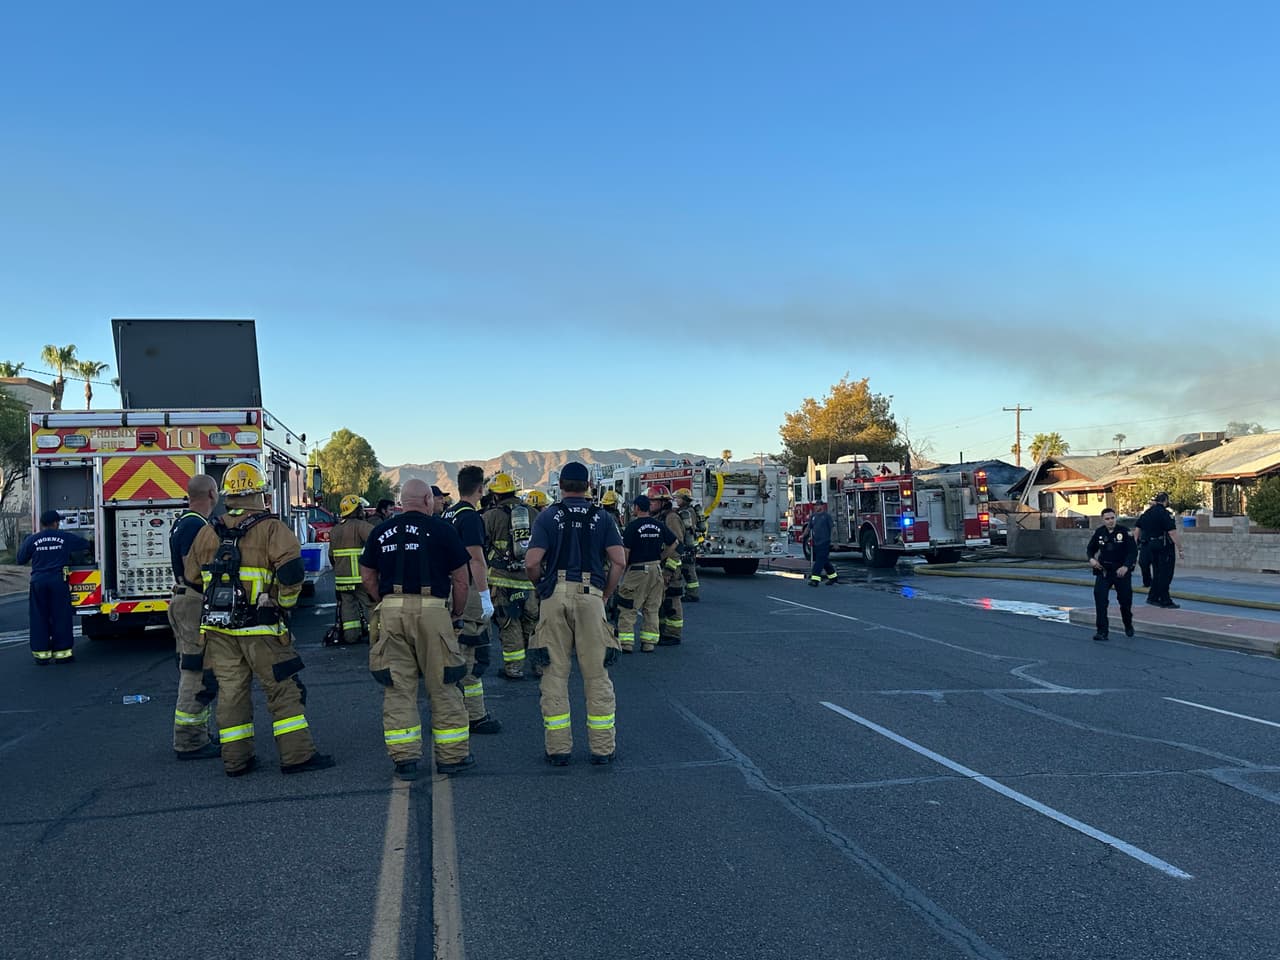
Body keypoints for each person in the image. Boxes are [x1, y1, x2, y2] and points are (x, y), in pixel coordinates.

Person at [185, 461, 335, 778]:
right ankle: (297, 756)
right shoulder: (272, 529)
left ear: (227, 494)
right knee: (283, 690)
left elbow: (192, 576)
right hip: (262, 629)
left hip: (218, 629)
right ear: (261, 492)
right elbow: (292, 573)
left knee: (231, 693)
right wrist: (283, 604)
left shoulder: (207, 531)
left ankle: (236, 760)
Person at [360, 478, 475, 781]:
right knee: (444, 684)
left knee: (398, 687)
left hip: (392, 611)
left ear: (401, 502)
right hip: (433, 610)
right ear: (427, 500)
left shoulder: (380, 531)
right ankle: (452, 757)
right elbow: (462, 580)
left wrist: (385, 601)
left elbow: (367, 574)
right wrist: (456, 613)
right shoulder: (442, 529)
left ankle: (405, 759)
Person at [524, 461, 625, 766]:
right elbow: (618, 561)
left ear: (561, 486)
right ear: (589, 485)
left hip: (555, 596)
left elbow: (531, 563)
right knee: (597, 675)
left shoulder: (547, 516)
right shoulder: (603, 517)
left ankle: (558, 750)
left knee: (554, 674)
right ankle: (603, 749)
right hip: (591, 596)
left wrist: (542, 586)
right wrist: (604, 594)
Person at [442, 466, 501, 735]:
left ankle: (458, 711)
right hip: (469, 591)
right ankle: (473, 716)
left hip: (451, 589)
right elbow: (475, 559)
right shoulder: (470, 518)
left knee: (456, 651)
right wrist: (485, 595)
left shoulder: (448, 514)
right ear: (480, 489)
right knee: (473, 656)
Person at [168, 475, 221, 759]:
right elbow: (199, 571)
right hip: (193, 602)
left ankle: (197, 734)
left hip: (184, 600)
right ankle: (189, 740)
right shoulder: (197, 526)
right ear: (212, 493)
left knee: (195, 668)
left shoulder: (182, 522)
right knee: (196, 671)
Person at [483, 472, 540, 680]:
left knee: (509, 624)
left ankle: (514, 668)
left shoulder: (490, 516)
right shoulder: (534, 513)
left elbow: (481, 547)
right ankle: (539, 665)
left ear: (496, 495)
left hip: (501, 580)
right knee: (532, 623)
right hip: (529, 580)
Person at [17, 510, 91, 665]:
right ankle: (62, 654)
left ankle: (41, 655)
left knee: (39, 618)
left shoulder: (32, 539)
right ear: (56, 523)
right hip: (58, 581)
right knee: (61, 617)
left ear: (42, 524)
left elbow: (20, 559)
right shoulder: (64, 537)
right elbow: (85, 545)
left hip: (38, 582)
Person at [616, 494, 677, 653]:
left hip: (637, 570)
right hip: (656, 570)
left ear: (636, 508)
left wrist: (623, 570)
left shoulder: (632, 526)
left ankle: (626, 643)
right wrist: (661, 557)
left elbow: (626, 551)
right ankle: (649, 643)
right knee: (651, 607)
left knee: (628, 606)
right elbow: (675, 543)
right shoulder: (658, 525)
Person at [328, 494, 376, 646]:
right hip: (360, 578)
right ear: (356, 510)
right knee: (371, 605)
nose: (363, 511)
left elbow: (331, 556)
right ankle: (376, 634)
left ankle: (351, 636)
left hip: (342, 579)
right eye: (361, 508)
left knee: (348, 607)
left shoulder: (335, 530)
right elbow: (378, 540)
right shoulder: (361, 526)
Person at [1087, 508, 1138, 641]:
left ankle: (1128, 624)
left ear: (1116, 518)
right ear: (1103, 520)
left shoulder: (1124, 532)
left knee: (1125, 601)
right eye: (1107, 519)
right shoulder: (1100, 532)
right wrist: (1091, 559)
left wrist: (1126, 566)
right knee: (1100, 600)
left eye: (1112, 518)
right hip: (1104, 570)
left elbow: (1133, 552)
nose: (1110, 521)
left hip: (1121, 571)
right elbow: (1090, 548)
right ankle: (1102, 631)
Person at [648, 486, 686, 645]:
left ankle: (673, 634)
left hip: (671, 568)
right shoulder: (659, 517)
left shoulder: (671, 518)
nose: (650, 503)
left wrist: (669, 571)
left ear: (663, 502)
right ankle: (663, 631)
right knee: (661, 602)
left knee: (672, 601)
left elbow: (677, 546)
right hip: (660, 566)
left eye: (653, 500)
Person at [1136, 492, 1183, 608]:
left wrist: (1135, 544)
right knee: (1165, 574)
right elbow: (1172, 532)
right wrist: (1180, 549)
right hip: (1164, 546)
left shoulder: (1147, 513)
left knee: (1157, 573)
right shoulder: (1164, 514)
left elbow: (1137, 530)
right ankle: (1165, 600)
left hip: (1150, 546)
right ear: (1166, 500)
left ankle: (1153, 597)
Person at [673, 488, 703, 602]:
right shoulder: (689, 510)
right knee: (688, 568)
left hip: (687, 545)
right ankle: (691, 592)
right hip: (691, 544)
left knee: (688, 570)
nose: (676, 500)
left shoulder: (687, 512)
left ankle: (692, 593)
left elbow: (686, 529)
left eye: (678, 498)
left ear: (684, 499)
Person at [804, 502, 838, 586]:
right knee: (824, 561)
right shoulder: (813, 516)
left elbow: (833, 529)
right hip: (816, 543)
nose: (816, 507)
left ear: (822, 506)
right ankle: (833, 577)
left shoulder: (826, 516)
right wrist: (803, 535)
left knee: (819, 561)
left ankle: (815, 580)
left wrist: (835, 542)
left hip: (825, 542)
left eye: (818, 505)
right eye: (815, 506)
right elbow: (808, 527)